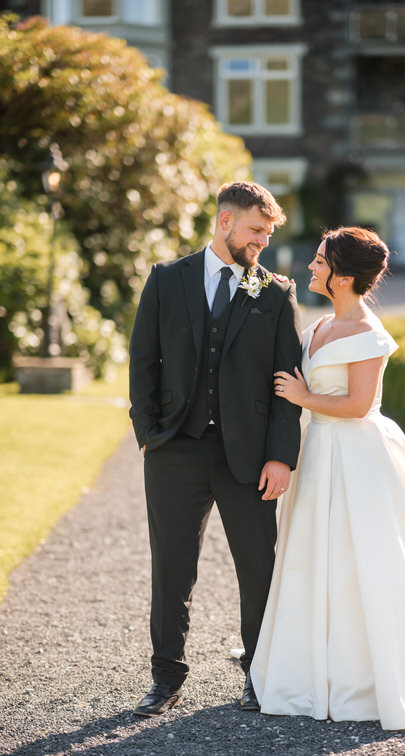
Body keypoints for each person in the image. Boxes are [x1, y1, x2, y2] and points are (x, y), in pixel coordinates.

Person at [250, 226, 405, 730]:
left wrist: (303, 398)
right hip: (319, 454)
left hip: (358, 455)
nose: (311, 266)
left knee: (362, 560)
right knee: (314, 557)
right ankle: (310, 670)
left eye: (320, 261)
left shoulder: (370, 333)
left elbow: (358, 405)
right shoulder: (320, 325)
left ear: (343, 277)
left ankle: (368, 677)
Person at [129, 181, 302, 716]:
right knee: (172, 568)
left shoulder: (275, 293)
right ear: (225, 221)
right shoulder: (166, 279)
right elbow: (143, 363)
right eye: (256, 231)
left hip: (247, 458)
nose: (262, 243)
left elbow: (286, 379)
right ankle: (166, 678)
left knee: (258, 568)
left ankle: (259, 674)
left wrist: (280, 455)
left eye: (268, 234)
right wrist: (150, 438)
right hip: (174, 450)